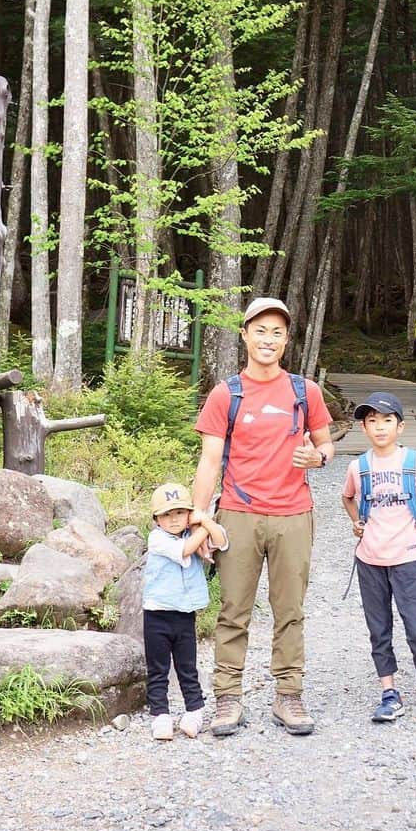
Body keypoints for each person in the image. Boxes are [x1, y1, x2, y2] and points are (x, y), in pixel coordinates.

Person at [191, 297, 335, 737]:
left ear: (286, 339)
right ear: (245, 335)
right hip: (237, 514)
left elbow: (326, 444)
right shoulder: (227, 393)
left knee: (289, 610)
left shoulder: (304, 391)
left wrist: (319, 457)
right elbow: (210, 460)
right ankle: (227, 699)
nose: (268, 339)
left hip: (294, 514)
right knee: (233, 610)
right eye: (260, 330)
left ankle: (289, 695)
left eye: (276, 332)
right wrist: (200, 517)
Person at [341, 391, 416, 728]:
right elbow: (346, 498)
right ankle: (389, 692)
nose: (379, 427)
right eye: (371, 421)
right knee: (379, 629)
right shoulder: (358, 467)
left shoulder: (414, 462)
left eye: (386, 420)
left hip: (409, 556)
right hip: (370, 558)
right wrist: (356, 521)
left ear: (400, 427)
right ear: (363, 428)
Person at [143, 482, 229, 741]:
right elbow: (185, 550)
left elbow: (222, 541)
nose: (173, 520)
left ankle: (194, 710)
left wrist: (204, 521)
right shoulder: (157, 538)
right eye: (166, 515)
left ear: (189, 513)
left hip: (184, 614)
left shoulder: (192, 532)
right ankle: (160, 715)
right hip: (157, 614)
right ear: (156, 519)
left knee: (187, 666)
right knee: (158, 668)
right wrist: (202, 527)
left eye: (180, 513)